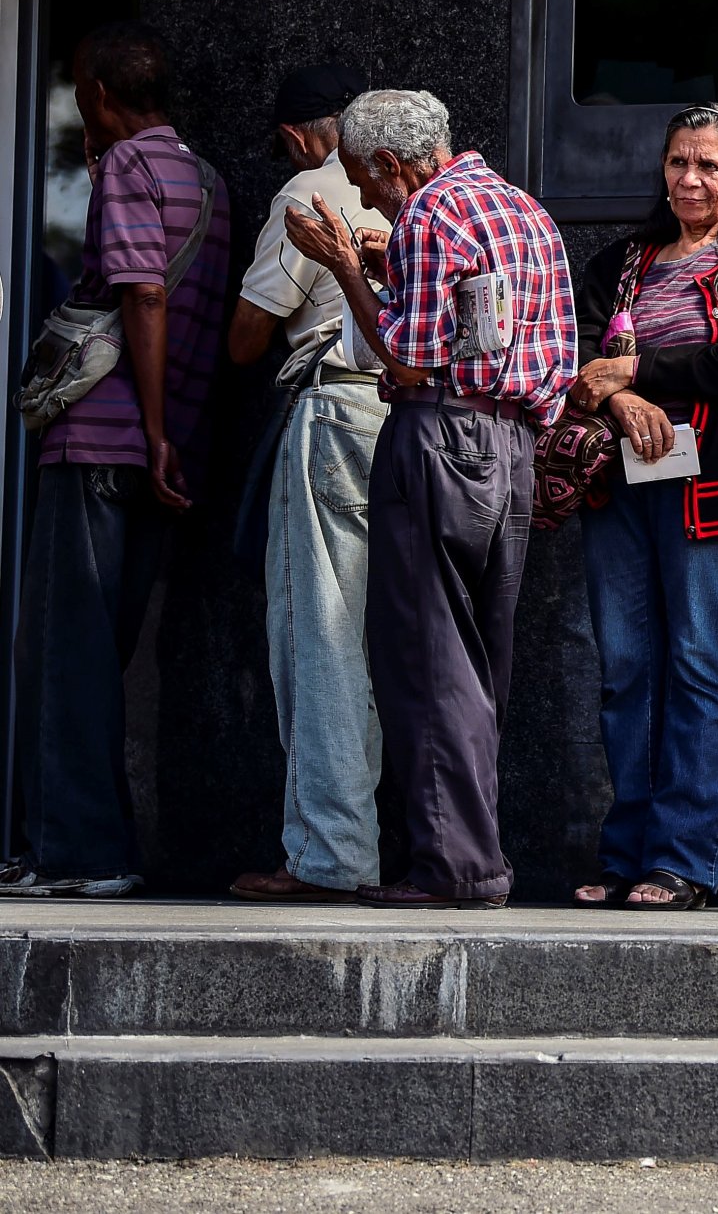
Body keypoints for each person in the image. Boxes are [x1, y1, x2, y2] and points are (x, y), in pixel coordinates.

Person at [285, 88, 576, 909]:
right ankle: (472, 856)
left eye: (365, 179)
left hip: (437, 438)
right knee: (479, 664)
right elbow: (493, 329)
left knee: (426, 656)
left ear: (389, 162)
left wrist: (346, 266)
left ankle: (453, 867)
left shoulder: (427, 215)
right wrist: (391, 267)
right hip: (512, 445)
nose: (369, 197)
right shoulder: (524, 209)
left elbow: (408, 359)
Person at [2, 22, 232, 898]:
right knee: (100, 649)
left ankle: (80, 855)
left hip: (103, 440)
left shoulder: (130, 169)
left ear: (98, 95)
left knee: (66, 653)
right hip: (157, 455)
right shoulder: (207, 178)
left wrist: (149, 426)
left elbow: (141, 291)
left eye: (78, 94)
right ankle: (88, 847)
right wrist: (172, 433)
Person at [566, 103, 718, 909]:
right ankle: (626, 850)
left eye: (708, 165)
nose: (690, 179)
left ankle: (682, 862)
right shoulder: (622, 261)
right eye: (677, 162)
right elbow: (583, 361)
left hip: (712, 486)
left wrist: (635, 375)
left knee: (701, 661)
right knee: (626, 664)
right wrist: (617, 396)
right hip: (618, 485)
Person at [226, 64, 390, 904]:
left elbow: (249, 337)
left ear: (297, 135)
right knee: (393, 645)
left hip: (331, 412)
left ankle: (329, 854)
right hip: (414, 420)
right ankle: (391, 845)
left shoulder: (310, 187)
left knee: (318, 637)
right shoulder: (420, 194)